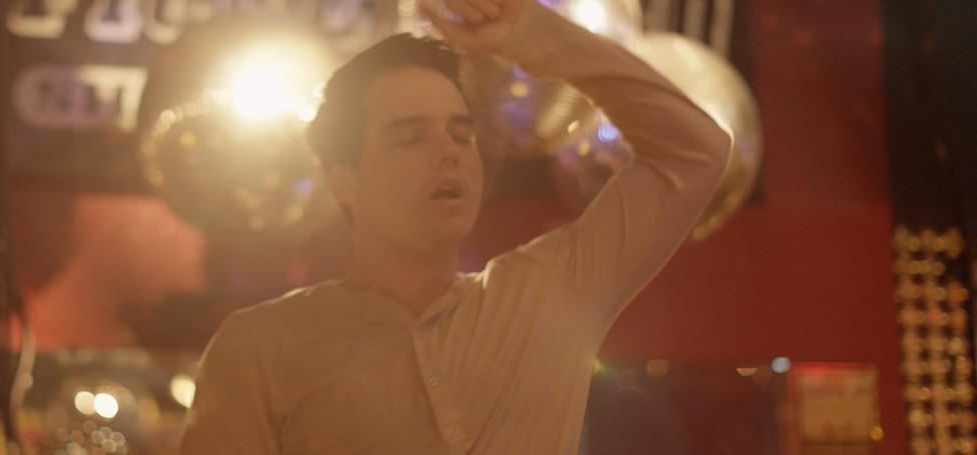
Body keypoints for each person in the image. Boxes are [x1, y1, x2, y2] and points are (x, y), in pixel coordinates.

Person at [179, 0, 730, 452]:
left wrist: (532, 35)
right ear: (344, 180)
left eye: (461, 133)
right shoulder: (261, 347)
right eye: (410, 137)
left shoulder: (549, 293)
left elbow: (694, 151)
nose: (449, 152)